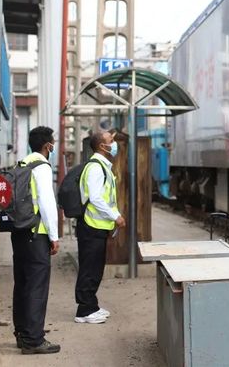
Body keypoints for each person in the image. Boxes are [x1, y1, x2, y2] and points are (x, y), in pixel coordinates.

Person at [12, 126, 61, 354]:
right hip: (36, 233)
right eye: (52, 143)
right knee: (36, 287)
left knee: (22, 283)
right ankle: (34, 341)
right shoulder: (41, 167)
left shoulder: (22, 164)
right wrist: (54, 237)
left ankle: (22, 334)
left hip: (19, 232)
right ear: (47, 146)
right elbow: (47, 204)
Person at [74, 131, 125, 324]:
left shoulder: (102, 166)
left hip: (97, 226)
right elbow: (95, 198)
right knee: (89, 268)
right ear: (102, 147)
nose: (114, 144)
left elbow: (106, 197)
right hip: (91, 226)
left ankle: (91, 306)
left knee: (95, 268)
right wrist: (116, 216)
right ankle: (84, 311)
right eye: (111, 141)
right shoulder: (95, 168)